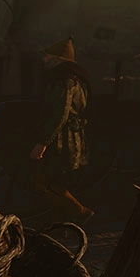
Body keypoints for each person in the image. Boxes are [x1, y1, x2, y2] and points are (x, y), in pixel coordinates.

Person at [27, 37, 94, 223]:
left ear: (57, 59)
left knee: (46, 181)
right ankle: (60, 228)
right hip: (67, 136)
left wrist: (42, 143)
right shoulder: (72, 77)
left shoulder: (65, 80)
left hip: (63, 139)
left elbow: (60, 115)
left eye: (47, 56)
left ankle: (80, 212)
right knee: (54, 181)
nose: (43, 60)